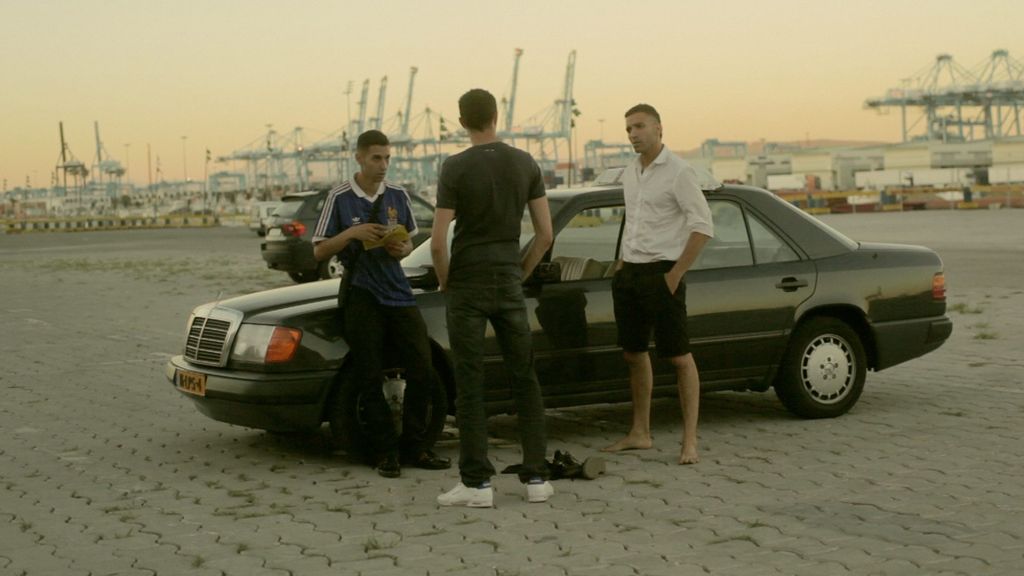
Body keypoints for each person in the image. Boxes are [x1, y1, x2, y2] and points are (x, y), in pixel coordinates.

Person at [431, 88, 555, 507]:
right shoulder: (525, 163)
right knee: (525, 377)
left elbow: (438, 242)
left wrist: (446, 282)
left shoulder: (455, 167)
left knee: (470, 382)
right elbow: (544, 235)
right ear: (496, 116)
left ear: (461, 121)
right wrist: (519, 273)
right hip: (508, 279)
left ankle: (476, 483)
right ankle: (536, 478)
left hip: (467, 282)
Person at [312, 129, 450, 478]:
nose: (383, 165)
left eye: (387, 158)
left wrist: (402, 248)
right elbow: (319, 250)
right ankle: (385, 451)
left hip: (397, 289)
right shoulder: (340, 197)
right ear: (359, 157)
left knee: (422, 366)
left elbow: (410, 242)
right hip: (361, 292)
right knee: (369, 373)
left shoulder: (398, 195)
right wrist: (351, 234)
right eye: (376, 158)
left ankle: (417, 445)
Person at [602, 104, 714, 465]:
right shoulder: (631, 172)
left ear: (659, 128)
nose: (633, 134)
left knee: (679, 357)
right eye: (628, 129)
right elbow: (635, 222)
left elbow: (703, 226)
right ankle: (640, 433)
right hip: (630, 273)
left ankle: (689, 442)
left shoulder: (679, 172)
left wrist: (675, 274)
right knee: (633, 353)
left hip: (663, 273)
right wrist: (622, 264)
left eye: (639, 127)